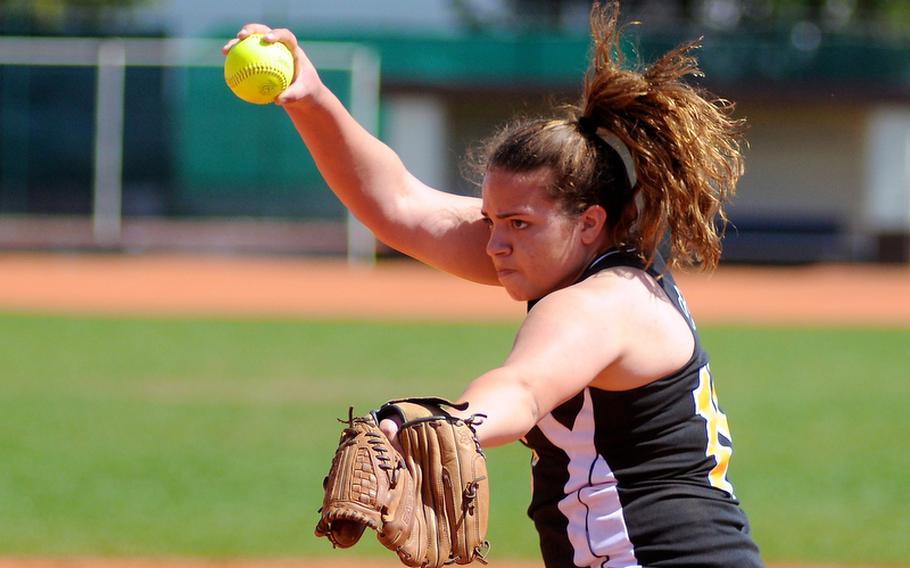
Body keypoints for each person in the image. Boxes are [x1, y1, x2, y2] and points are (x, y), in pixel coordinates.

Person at [225, 1, 763, 566]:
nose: (496, 243)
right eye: (492, 219)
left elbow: (524, 389)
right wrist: (310, 98)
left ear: (589, 221)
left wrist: (449, 425)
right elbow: (400, 206)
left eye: (520, 224)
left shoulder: (601, 305)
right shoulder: (577, 263)